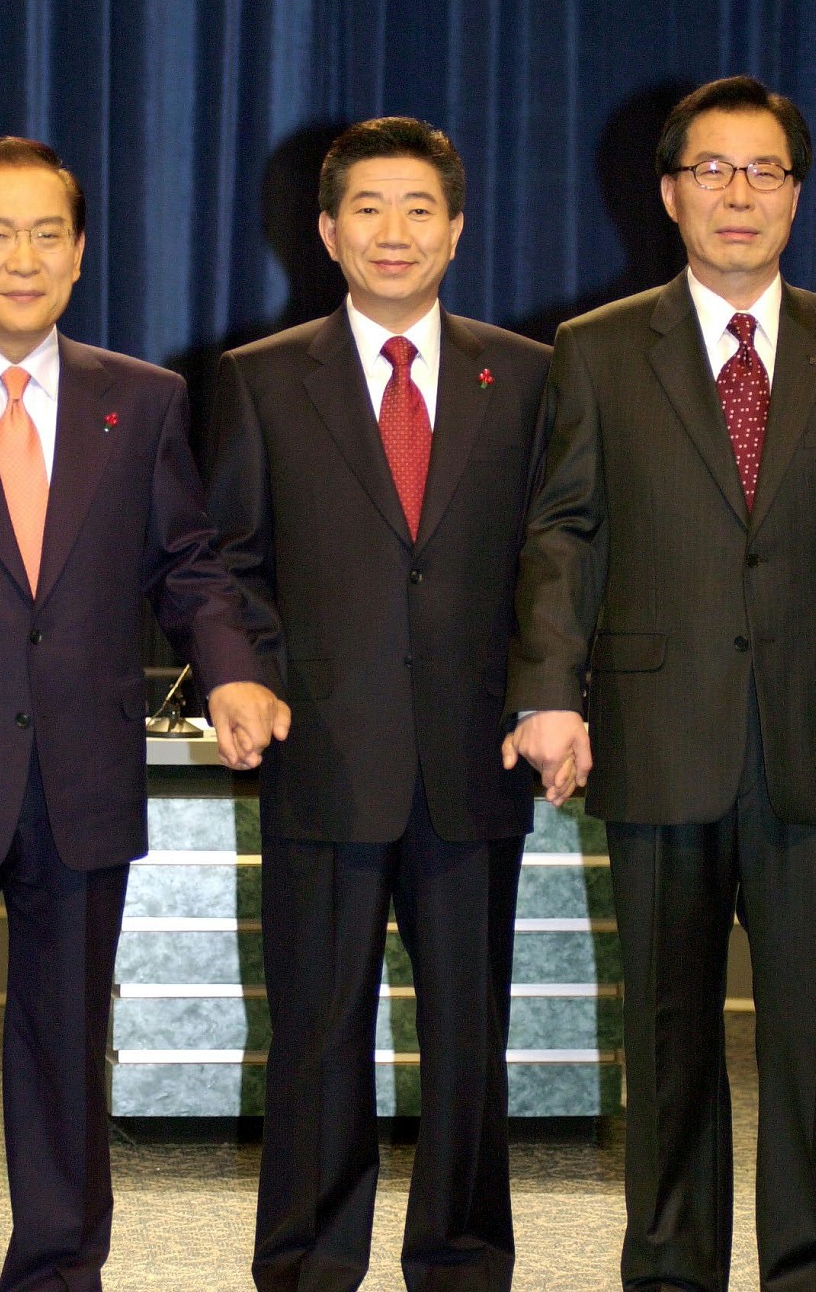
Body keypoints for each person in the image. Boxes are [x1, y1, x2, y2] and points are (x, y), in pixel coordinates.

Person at [0, 136, 289, 1291]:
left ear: (81, 252)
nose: (23, 257)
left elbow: (186, 563)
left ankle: (58, 1272)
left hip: (82, 778)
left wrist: (231, 669)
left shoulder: (140, 400)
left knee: (64, 1057)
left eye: (48, 233)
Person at [503, 75, 816, 1291]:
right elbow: (562, 531)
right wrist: (549, 692)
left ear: (796, 195)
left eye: (763, 170)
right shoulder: (598, 349)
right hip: (658, 734)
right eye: (711, 169)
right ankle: (667, 1267)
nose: (736, 193)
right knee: (666, 1033)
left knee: (812, 1039)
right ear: (667, 194)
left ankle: (813, 1265)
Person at [205, 116, 551, 1291]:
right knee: (315, 1035)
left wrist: (546, 693)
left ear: (455, 231)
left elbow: (552, 556)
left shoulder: (528, 376)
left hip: (473, 759)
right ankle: (309, 1261)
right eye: (367, 207)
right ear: (325, 231)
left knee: (469, 1038)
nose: (392, 231)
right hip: (324, 757)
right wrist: (246, 673)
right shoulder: (260, 378)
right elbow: (230, 562)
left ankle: (462, 1259)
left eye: (417, 208)